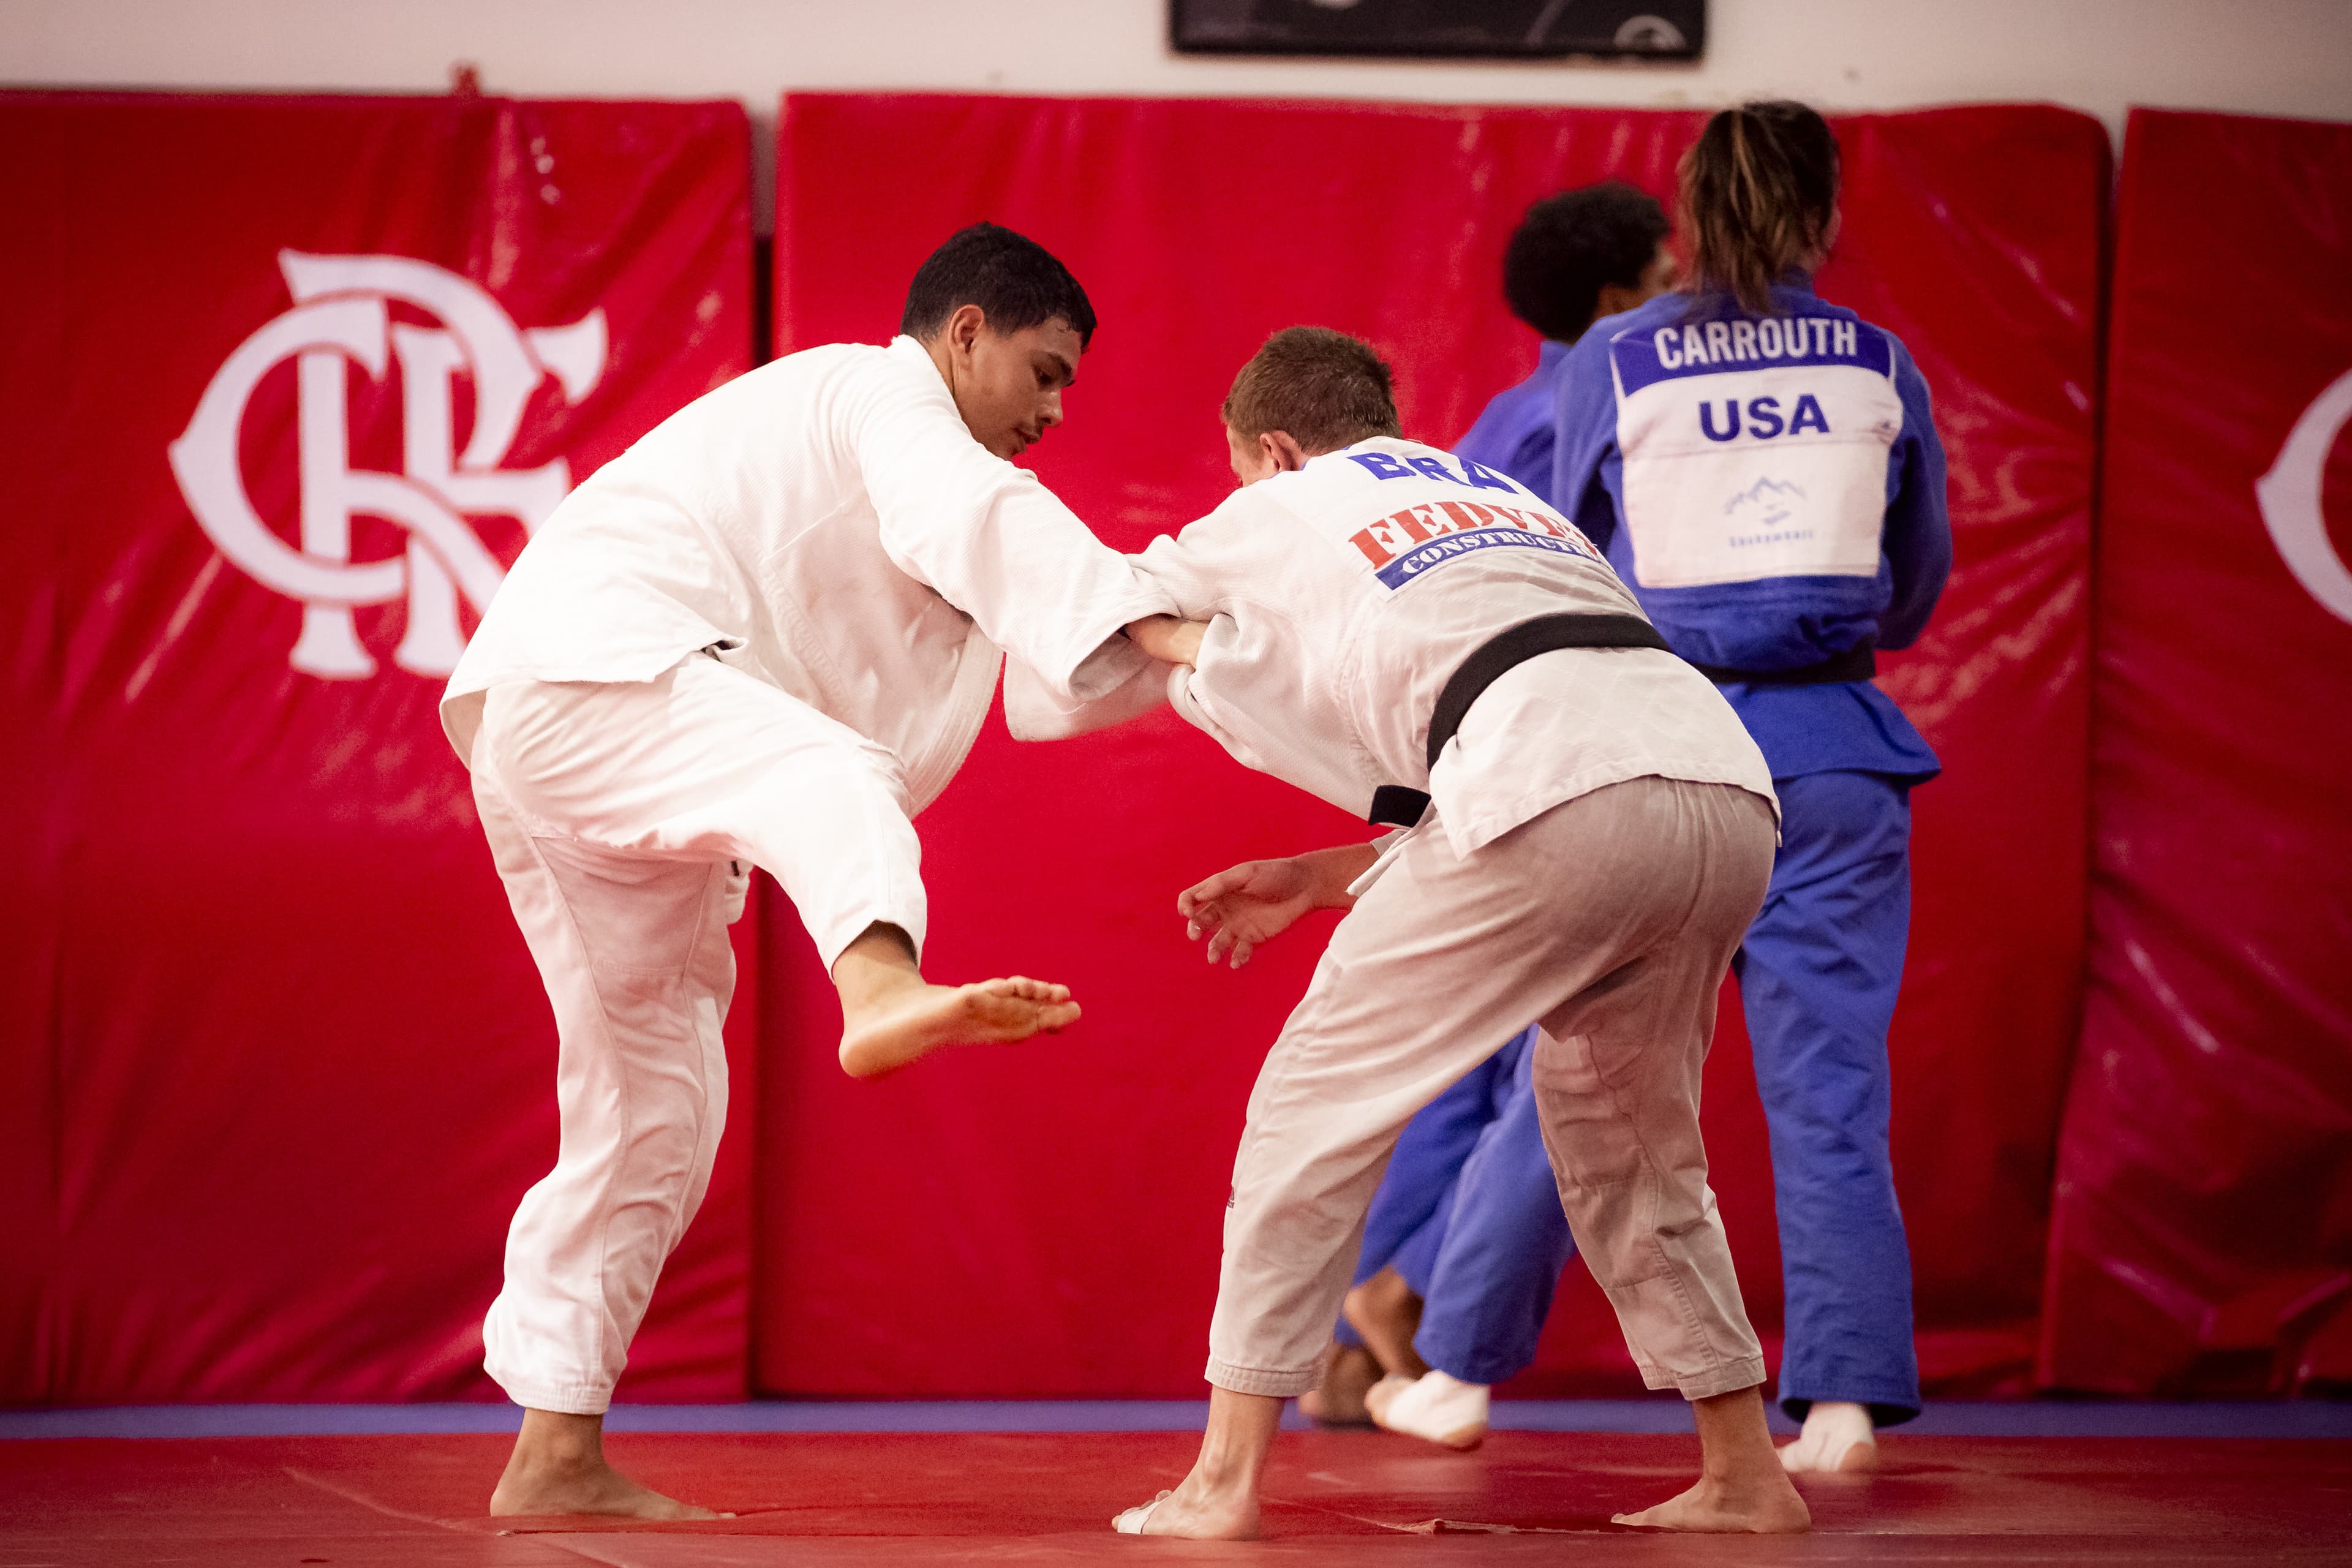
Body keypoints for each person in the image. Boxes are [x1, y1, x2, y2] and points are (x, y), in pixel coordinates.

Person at [441, 222, 1196, 1520]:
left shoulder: (931, 497)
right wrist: (1167, 615)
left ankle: (553, 1450)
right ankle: (881, 982)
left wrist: (1211, 642)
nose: (1057, 410)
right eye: (1045, 369)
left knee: (654, 1110)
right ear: (965, 334)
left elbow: (1060, 674)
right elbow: (986, 527)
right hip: (603, 674)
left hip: (601, 742)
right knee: (831, 766)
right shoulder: (882, 396)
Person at [1014, 326, 1807, 1539]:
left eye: (1241, 470)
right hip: (1724, 790)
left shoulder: (1289, 500)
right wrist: (1323, 871)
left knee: (1308, 1104)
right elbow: (1526, 717)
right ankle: (1748, 1471)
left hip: (1560, 788)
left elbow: (1121, 604)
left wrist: (1165, 640)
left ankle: (1222, 1480)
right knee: (1637, 1142)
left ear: (1272, 450)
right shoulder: (1498, 493)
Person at [1550, 101, 1952, 1473]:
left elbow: (1564, 558)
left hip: (1659, 751)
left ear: (1686, 213)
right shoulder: (1879, 362)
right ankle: (1839, 1400)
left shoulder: (1616, 358)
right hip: (1832, 753)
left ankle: (1457, 1362)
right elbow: (1914, 585)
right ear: (1825, 214)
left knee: (1590, 1072)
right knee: (1828, 1088)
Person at [1310, 181, 1683, 1449]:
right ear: (1617, 298)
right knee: (1550, 1058)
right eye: (1666, 274)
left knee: (1469, 1053)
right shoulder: (1628, 400)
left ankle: (1371, 1310)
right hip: (1584, 750)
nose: (1685, 293)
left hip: (1473, 748)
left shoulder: (1490, 428)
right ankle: (1411, 1301)